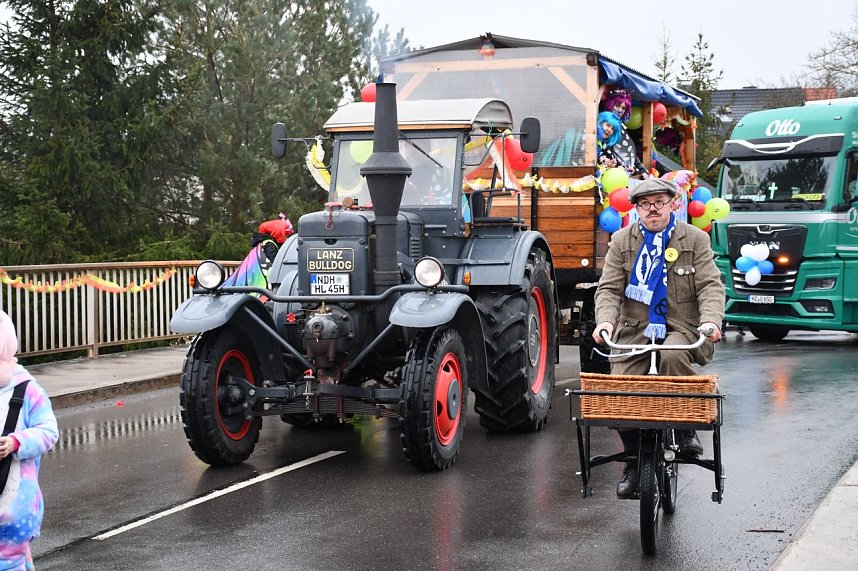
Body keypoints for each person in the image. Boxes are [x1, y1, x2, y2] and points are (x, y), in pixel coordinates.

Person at [591, 177, 725, 499]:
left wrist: (710, 321)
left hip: (683, 328)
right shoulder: (622, 241)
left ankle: (686, 426)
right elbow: (608, 289)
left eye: (659, 202)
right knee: (619, 388)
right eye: (645, 204)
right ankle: (635, 460)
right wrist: (605, 324)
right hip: (635, 330)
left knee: (672, 354)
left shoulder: (694, 239)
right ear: (636, 208)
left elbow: (710, 285)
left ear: (673, 204)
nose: (652, 209)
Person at [0, 310, 58, 570]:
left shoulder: (28, 391)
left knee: (8, 559)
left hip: (12, 506)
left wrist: (16, 442)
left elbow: (49, 432)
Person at [600, 89, 648, 178]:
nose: (620, 110)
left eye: (623, 108)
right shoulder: (601, 127)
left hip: (627, 175)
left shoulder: (620, 128)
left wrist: (642, 170)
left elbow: (630, 152)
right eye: (617, 105)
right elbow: (606, 154)